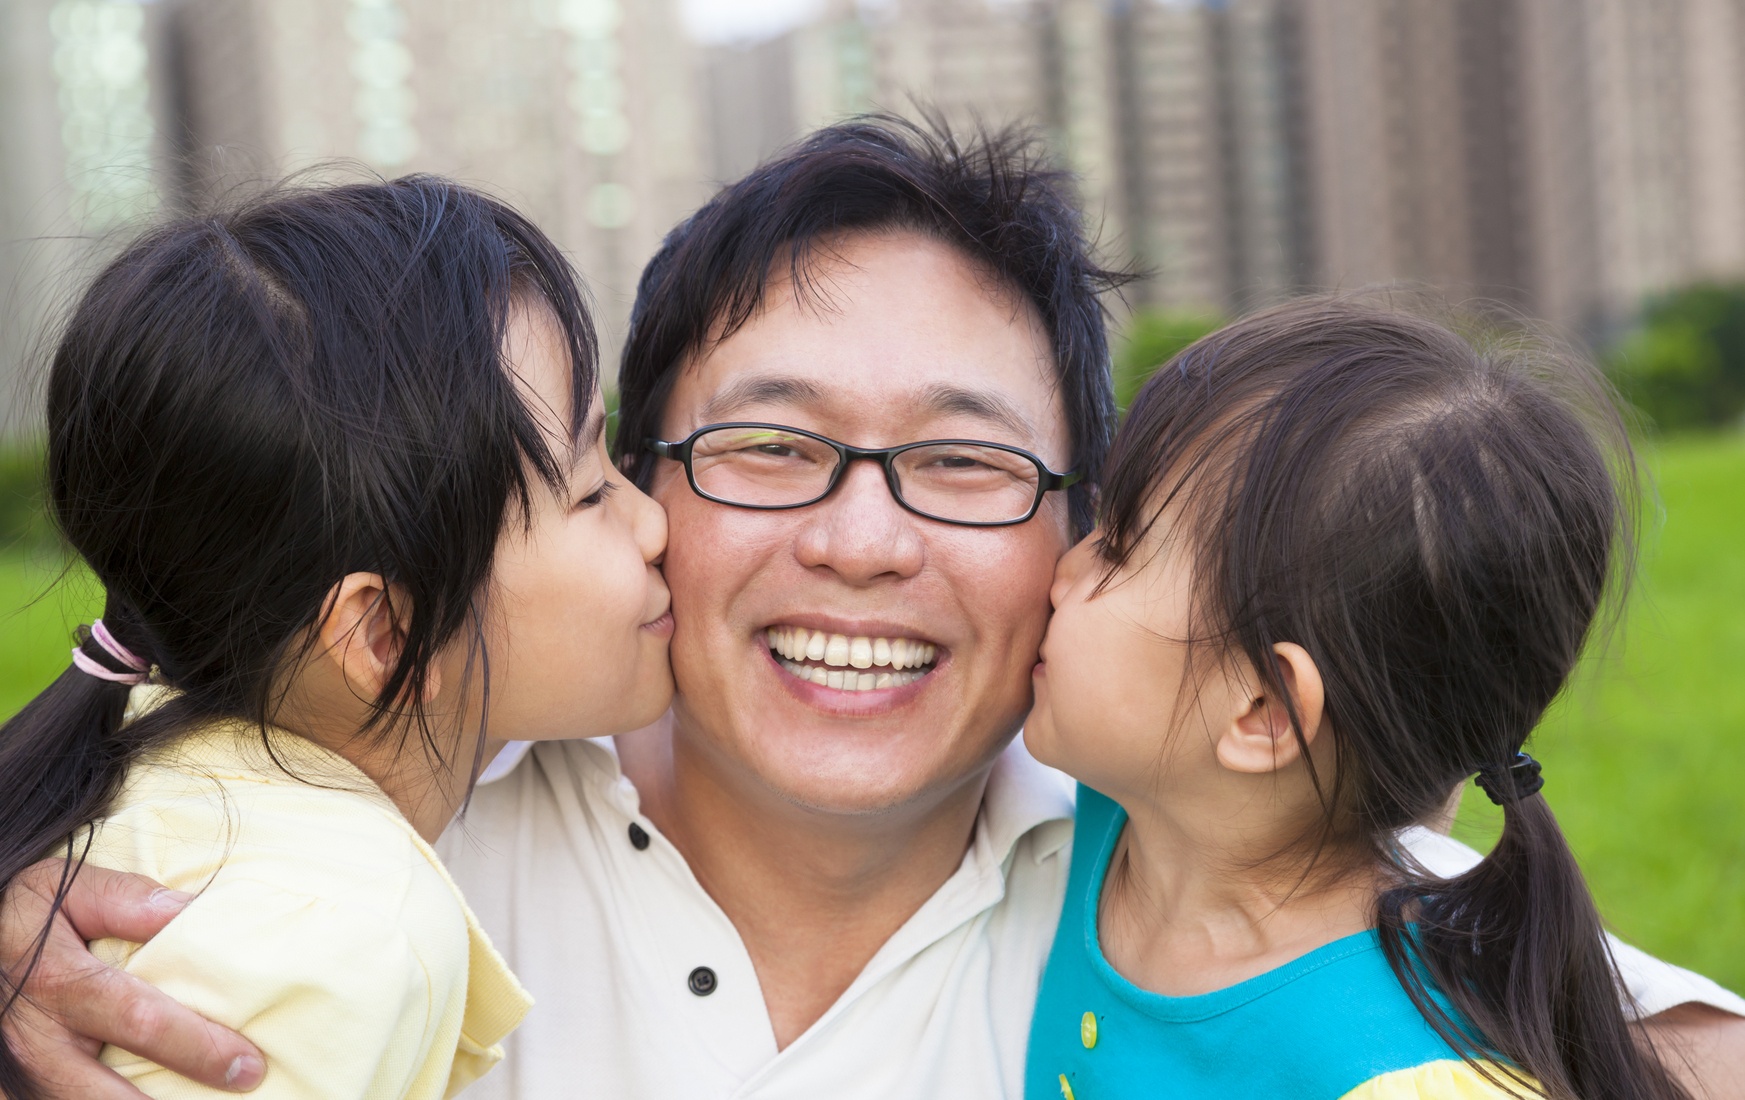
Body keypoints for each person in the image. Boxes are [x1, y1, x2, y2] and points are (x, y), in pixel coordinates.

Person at [3, 118, 1741, 1100]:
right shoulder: (403, 811)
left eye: (967, 468)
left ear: (1079, 538)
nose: (859, 538)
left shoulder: (1204, 868)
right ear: (633, 486)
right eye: (768, 445)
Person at [0, 178, 673, 1098]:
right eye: (593, 489)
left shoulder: (148, 795)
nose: (652, 525)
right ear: (385, 633)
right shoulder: (348, 933)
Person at [1023, 298, 1694, 1100]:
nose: (1061, 566)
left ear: (1264, 711)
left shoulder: (1406, 1079)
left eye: (1116, 547)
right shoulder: (1111, 812)